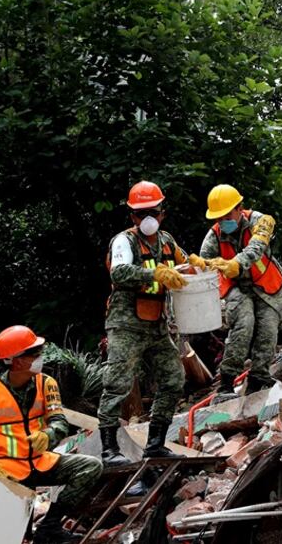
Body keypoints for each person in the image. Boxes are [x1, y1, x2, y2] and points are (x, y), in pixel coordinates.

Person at [98, 181, 190, 467]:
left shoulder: (167, 242)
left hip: (156, 324)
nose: (147, 218)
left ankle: (155, 444)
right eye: (141, 214)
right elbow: (121, 272)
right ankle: (109, 449)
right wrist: (158, 276)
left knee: (174, 378)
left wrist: (197, 265)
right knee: (117, 383)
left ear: (162, 212)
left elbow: (185, 264)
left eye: (153, 211)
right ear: (132, 217)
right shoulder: (124, 241)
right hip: (126, 324)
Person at [0, 326, 102, 542]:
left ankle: (51, 525)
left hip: (41, 461)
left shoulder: (46, 383)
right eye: (34, 354)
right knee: (15, 535)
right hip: (7, 471)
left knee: (90, 466)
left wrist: (49, 435)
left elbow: (59, 420)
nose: (40, 358)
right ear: (16, 361)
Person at [198, 184, 282, 402]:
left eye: (227, 215)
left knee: (268, 327)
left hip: (265, 286)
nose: (223, 221)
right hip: (236, 289)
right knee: (244, 324)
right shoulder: (214, 236)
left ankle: (259, 376)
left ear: (239, 208)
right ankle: (226, 382)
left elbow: (256, 247)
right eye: (219, 218)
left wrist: (236, 263)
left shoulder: (260, 221)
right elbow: (203, 266)